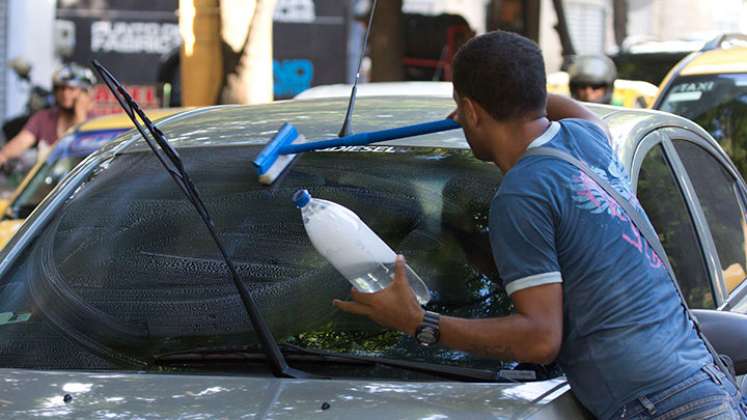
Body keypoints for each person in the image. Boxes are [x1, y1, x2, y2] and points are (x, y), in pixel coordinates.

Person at [334, 31, 747, 419]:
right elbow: (565, 108)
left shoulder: (521, 194)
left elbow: (541, 338)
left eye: (463, 107)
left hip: (656, 406)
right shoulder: (588, 141)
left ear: (472, 111)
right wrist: (509, 92)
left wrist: (419, 324)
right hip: (702, 388)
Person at [0, 63, 96, 168]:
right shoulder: (43, 118)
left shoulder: (96, 123)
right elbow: (22, 142)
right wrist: (3, 155)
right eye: (61, 88)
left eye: (72, 89)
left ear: (85, 93)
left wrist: (80, 115)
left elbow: (84, 153)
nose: (65, 94)